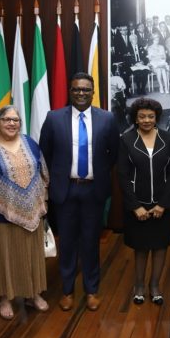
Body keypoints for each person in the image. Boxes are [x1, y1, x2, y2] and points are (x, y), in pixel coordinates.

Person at [39, 72, 119, 312]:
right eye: (76, 89)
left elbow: (113, 153)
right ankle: (67, 291)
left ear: (93, 92)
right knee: (68, 243)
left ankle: (92, 290)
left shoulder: (107, 119)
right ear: (70, 92)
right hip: (65, 190)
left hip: (93, 191)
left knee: (91, 242)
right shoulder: (54, 118)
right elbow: (45, 154)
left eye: (86, 89)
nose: (81, 93)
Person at [0, 105, 49, 320]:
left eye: (15, 120)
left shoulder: (31, 144)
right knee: (4, 257)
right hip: (1, 215)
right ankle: (5, 298)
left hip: (32, 213)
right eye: (6, 119)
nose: (12, 123)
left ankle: (33, 294)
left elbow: (43, 177)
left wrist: (43, 205)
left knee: (31, 256)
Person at [117, 98, 170, 305]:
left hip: (161, 205)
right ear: (135, 118)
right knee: (141, 247)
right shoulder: (126, 139)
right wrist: (136, 206)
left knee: (160, 247)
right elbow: (123, 176)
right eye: (142, 116)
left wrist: (163, 204)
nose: (146, 120)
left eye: (151, 116)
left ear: (157, 118)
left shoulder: (168, 138)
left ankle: (155, 286)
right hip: (138, 206)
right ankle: (140, 286)